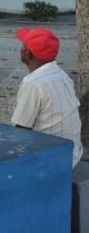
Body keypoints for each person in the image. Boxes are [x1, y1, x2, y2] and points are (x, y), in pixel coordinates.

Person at [12, 27, 83, 168]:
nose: (20, 49)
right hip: (73, 153)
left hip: (53, 159)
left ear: (27, 54)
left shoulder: (32, 83)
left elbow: (21, 129)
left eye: (22, 45)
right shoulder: (62, 75)